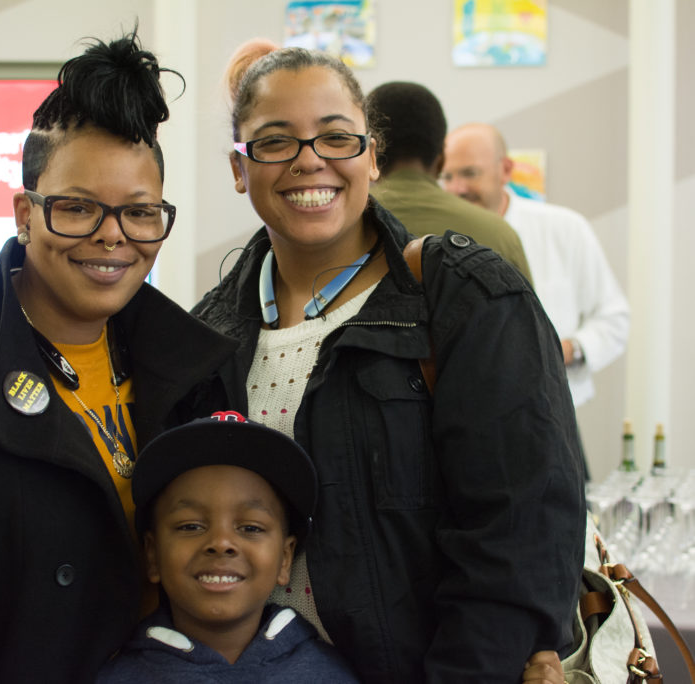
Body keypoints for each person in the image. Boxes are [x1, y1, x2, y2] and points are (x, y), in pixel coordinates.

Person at [0, 30, 237, 683]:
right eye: (77, 208)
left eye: (139, 214)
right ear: (24, 214)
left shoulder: (195, 371)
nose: (111, 237)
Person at [191, 43, 585, 682]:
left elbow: (519, 541)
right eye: (273, 142)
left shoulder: (464, 298)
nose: (309, 160)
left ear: (371, 155)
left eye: (336, 137)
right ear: (240, 169)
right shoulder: (212, 332)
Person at [97, 410, 360, 683]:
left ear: (284, 558)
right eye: (190, 526)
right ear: (152, 555)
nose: (221, 543)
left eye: (250, 528)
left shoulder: (331, 675)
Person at [442, 122, 630, 413]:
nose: (457, 188)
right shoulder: (436, 238)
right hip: (459, 413)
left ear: (505, 170)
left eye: (469, 173)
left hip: (550, 413)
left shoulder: (566, 228)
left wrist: (565, 349)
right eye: (447, 176)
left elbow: (613, 318)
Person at [366, 81, 533, 283]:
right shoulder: (501, 235)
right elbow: (526, 313)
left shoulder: (340, 229)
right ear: (442, 159)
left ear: (370, 155)